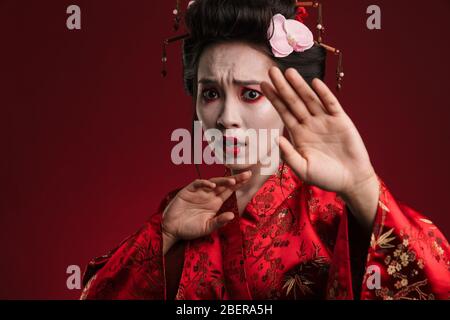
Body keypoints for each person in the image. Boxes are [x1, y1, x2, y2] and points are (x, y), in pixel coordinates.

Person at [80, 0, 450, 300]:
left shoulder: (338, 215)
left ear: (293, 99)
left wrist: (363, 187)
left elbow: (436, 288)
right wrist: (162, 236)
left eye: (251, 94)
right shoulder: (184, 213)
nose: (226, 117)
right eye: (210, 93)